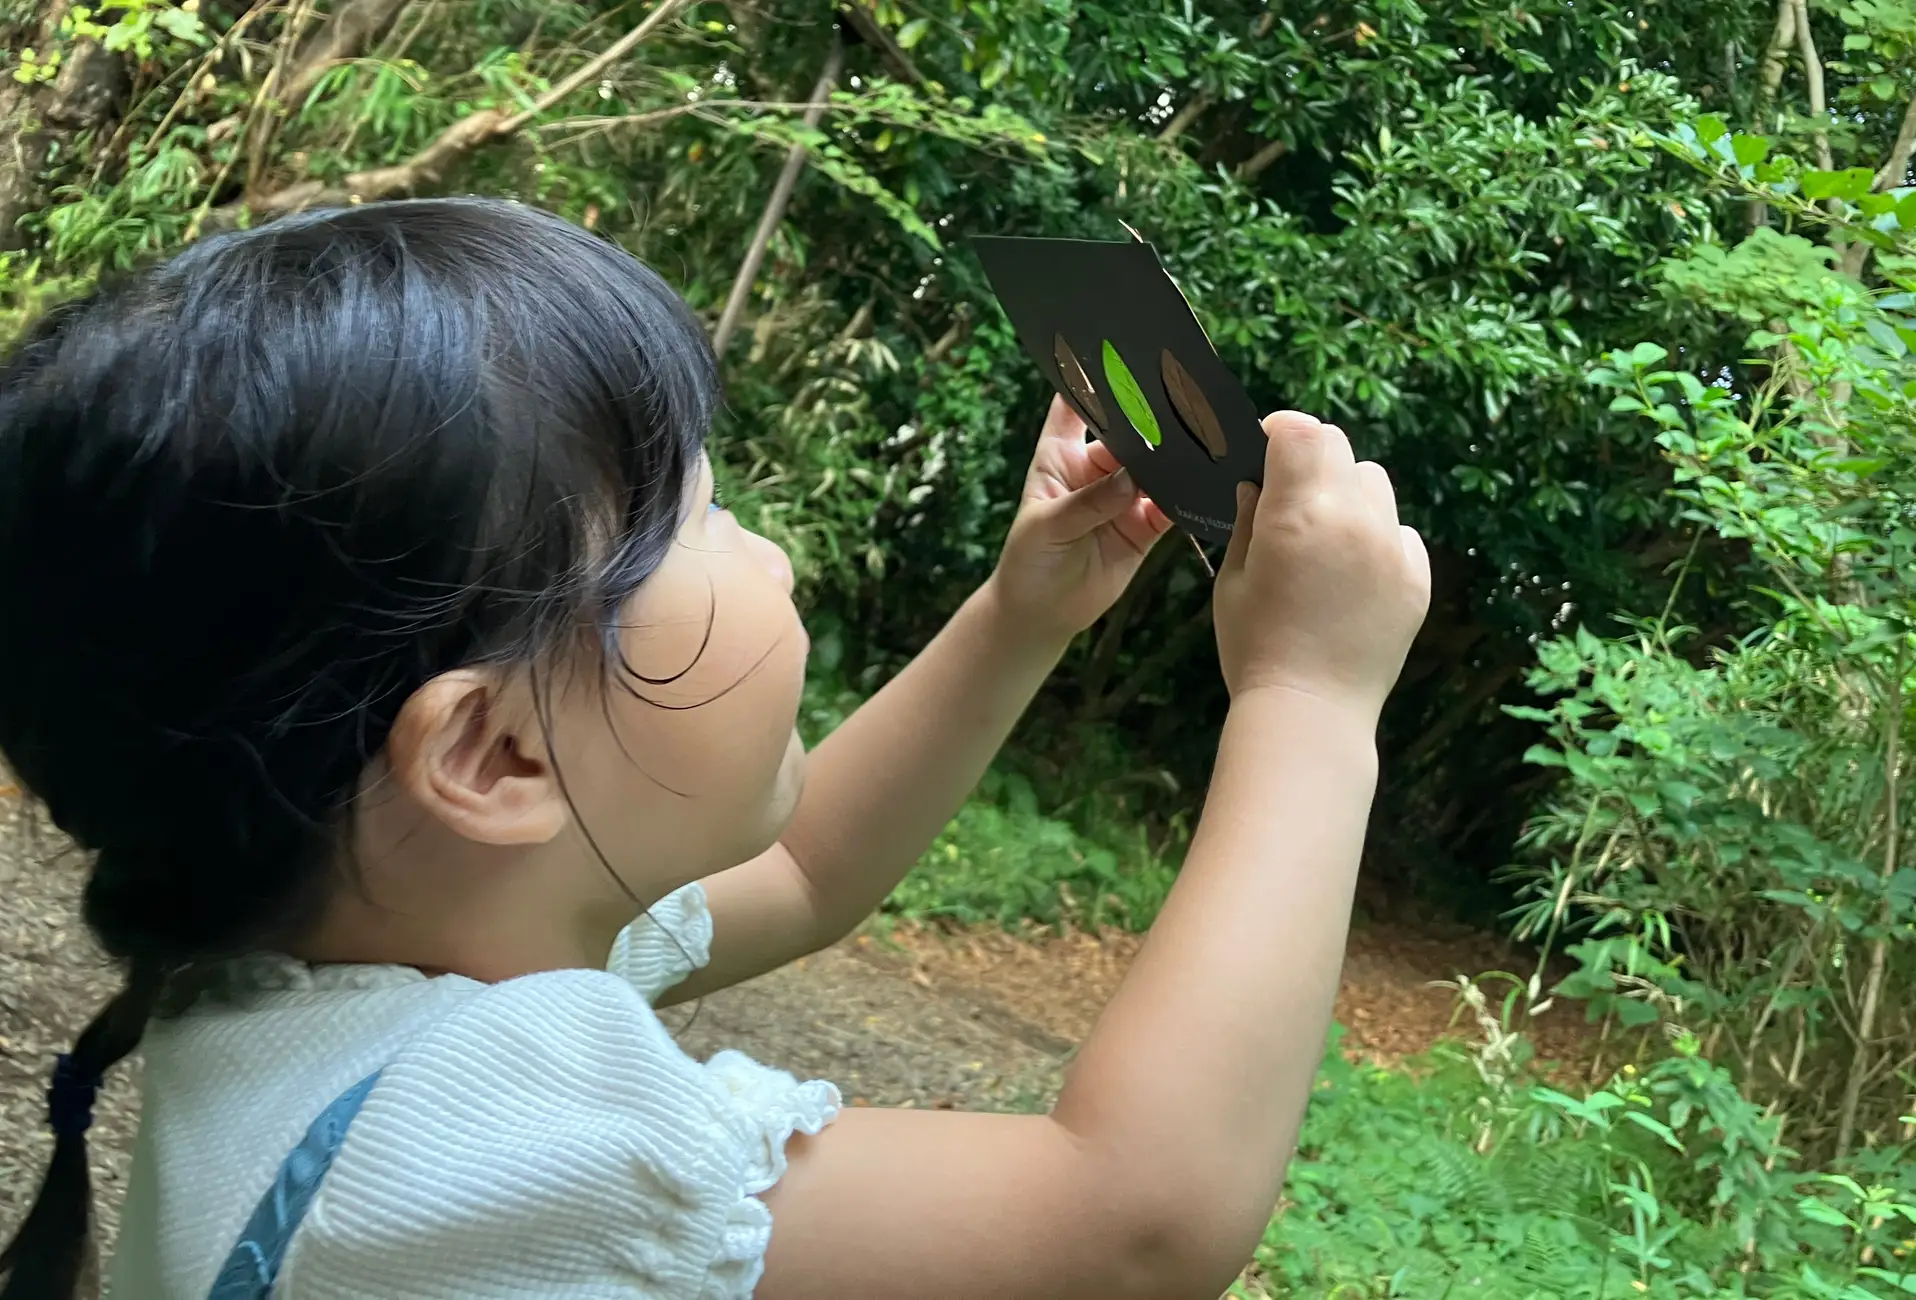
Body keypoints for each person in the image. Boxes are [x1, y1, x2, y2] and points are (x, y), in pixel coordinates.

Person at [0, 196, 1430, 1300]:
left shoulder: (345, 964)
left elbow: (805, 869)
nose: (771, 552)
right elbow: (1130, 1223)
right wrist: (1308, 700)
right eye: (696, 520)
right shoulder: (457, 1133)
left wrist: (1020, 614)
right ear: (494, 757)